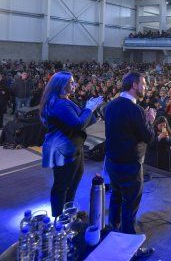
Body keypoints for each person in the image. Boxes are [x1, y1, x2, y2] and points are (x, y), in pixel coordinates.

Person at [104, 72, 156, 259]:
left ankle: (112, 232)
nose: (146, 87)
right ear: (134, 85)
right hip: (130, 166)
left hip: (112, 162)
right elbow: (148, 137)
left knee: (116, 197)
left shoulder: (110, 106)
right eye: (143, 84)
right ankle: (129, 248)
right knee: (130, 206)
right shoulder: (137, 111)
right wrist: (150, 120)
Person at [40, 71, 101, 217]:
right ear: (61, 85)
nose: (75, 85)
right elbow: (78, 123)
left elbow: (85, 120)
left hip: (74, 147)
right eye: (71, 82)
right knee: (62, 186)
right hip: (63, 150)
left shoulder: (66, 100)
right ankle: (58, 218)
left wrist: (93, 109)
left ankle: (68, 212)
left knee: (73, 183)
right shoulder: (58, 104)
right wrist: (89, 108)